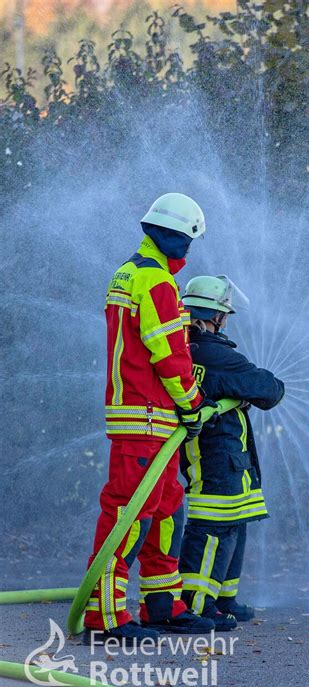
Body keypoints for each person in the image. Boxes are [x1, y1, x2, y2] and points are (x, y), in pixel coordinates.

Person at [83, 193, 215, 644]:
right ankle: (104, 618)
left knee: (166, 512)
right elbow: (169, 354)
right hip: (146, 417)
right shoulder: (155, 281)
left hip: (152, 420)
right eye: (187, 241)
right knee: (128, 516)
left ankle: (162, 605)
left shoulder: (132, 272)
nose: (188, 251)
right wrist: (193, 402)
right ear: (172, 236)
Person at [178, 275, 285, 631]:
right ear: (217, 316)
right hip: (219, 454)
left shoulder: (184, 351)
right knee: (213, 527)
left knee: (233, 524)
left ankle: (224, 599)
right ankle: (197, 604)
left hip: (216, 453)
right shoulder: (216, 354)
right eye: (226, 315)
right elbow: (269, 390)